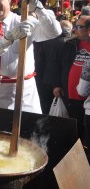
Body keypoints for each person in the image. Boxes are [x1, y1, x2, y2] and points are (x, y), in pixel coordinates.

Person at [0, 0, 61, 114]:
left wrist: (38, 8)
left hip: (23, 93)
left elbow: (54, 32)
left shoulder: (25, 20)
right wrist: (8, 39)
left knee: (28, 131)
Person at [53, 15, 90, 145]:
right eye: (75, 26)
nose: (75, 30)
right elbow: (59, 66)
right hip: (71, 96)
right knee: (74, 129)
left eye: (79, 27)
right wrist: (57, 85)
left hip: (88, 100)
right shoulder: (70, 44)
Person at [33, 20, 72, 113]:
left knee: (46, 108)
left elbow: (39, 62)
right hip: (63, 83)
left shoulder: (47, 42)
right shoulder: (71, 44)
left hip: (45, 80)